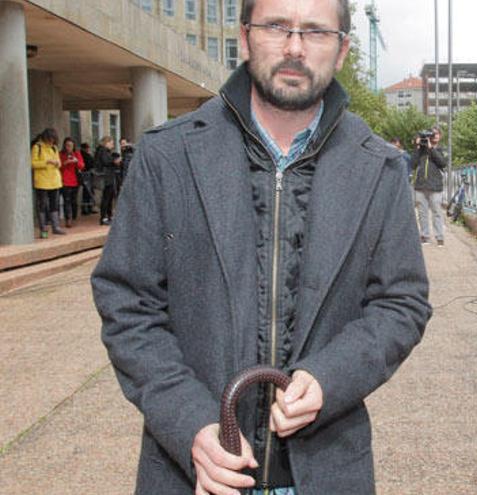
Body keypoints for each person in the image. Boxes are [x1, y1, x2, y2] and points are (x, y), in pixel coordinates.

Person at [91, 0, 431, 494]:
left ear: (341, 51)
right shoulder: (167, 155)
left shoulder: (379, 168)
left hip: (328, 470)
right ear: (246, 36)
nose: (295, 47)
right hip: (194, 473)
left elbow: (402, 303)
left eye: (315, 31)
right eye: (277, 26)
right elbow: (127, 304)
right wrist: (188, 422)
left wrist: (331, 377)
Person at [411, 126, 447, 246]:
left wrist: (431, 149)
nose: (434, 136)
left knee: (437, 212)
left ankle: (439, 237)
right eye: (432, 134)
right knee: (422, 213)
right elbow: (413, 164)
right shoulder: (421, 150)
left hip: (435, 187)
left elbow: (442, 163)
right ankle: (424, 236)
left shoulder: (441, 149)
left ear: (440, 136)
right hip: (421, 186)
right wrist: (417, 147)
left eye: (436, 134)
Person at [30, 127, 65, 238]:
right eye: (50, 139)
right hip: (42, 181)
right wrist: (47, 162)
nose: (52, 142)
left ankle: (55, 227)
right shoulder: (37, 147)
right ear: (46, 138)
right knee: (42, 205)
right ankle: (43, 229)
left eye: (53, 140)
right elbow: (33, 164)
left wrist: (57, 163)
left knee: (54, 204)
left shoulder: (54, 148)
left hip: (54, 180)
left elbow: (59, 163)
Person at [94, 135, 121, 225]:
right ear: (107, 143)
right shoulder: (102, 151)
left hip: (108, 177)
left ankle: (109, 216)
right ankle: (104, 217)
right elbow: (105, 161)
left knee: (109, 198)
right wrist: (114, 161)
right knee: (106, 198)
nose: (112, 146)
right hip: (106, 177)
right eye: (111, 143)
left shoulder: (105, 151)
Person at [59, 137, 85, 228]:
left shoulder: (77, 154)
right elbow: (58, 167)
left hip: (75, 181)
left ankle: (74, 216)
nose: (68, 147)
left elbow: (82, 166)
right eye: (67, 145)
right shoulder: (61, 154)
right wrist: (65, 163)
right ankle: (68, 219)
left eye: (70, 145)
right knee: (67, 200)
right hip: (64, 181)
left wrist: (76, 161)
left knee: (74, 200)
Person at [79, 142, 97, 215]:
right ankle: (86, 208)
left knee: (89, 192)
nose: (88, 149)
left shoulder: (86, 155)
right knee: (87, 192)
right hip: (86, 174)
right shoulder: (84, 155)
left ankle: (89, 207)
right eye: (87, 148)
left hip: (87, 174)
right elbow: (90, 163)